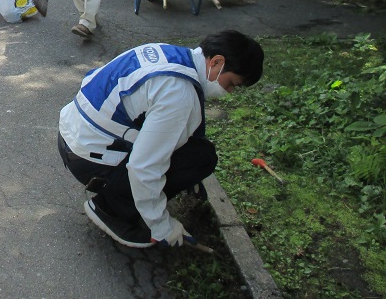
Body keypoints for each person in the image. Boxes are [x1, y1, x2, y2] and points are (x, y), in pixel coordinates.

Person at [58, 30, 264, 249]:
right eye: (232, 83)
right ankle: (111, 209)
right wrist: (161, 226)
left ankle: (120, 195)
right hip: (88, 160)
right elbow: (143, 166)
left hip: (72, 136)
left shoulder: (168, 53)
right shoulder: (179, 93)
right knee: (201, 157)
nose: (230, 91)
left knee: (190, 149)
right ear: (217, 62)